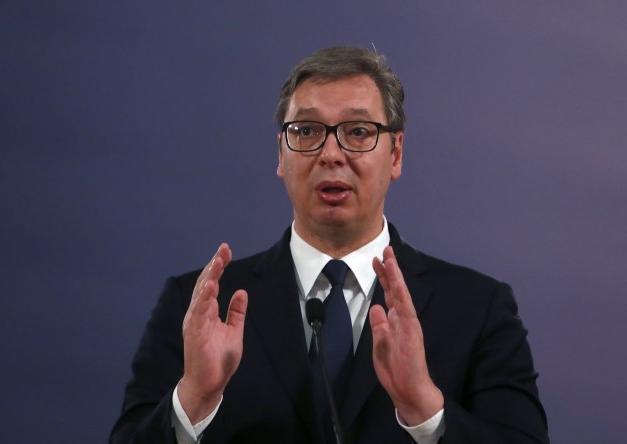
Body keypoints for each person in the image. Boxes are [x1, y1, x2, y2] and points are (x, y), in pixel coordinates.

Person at [110, 46, 549, 444]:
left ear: (395, 154)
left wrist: (426, 410)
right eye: (306, 131)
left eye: (357, 131)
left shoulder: (478, 308)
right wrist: (193, 401)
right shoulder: (201, 307)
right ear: (280, 154)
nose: (331, 154)